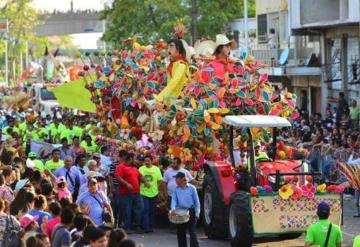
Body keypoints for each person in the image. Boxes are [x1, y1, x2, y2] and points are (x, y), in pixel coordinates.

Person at [170, 172, 200, 247]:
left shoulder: (192, 188)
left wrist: (197, 213)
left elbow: (197, 202)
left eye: (176, 178)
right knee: (180, 232)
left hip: (191, 212)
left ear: (182, 179)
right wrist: (173, 209)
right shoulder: (176, 189)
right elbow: (174, 200)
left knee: (192, 232)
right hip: (180, 212)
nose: (175, 180)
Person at [115, 153, 143, 233]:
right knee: (127, 210)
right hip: (126, 193)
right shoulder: (121, 167)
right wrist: (127, 184)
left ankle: (137, 226)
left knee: (139, 209)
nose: (135, 160)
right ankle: (127, 228)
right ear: (130, 159)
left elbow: (140, 176)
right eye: (134, 159)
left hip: (136, 193)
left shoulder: (134, 168)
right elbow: (118, 177)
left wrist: (145, 181)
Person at [139, 155, 163, 233]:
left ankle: (151, 227)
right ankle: (146, 227)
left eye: (148, 161)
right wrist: (144, 182)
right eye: (145, 161)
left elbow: (160, 181)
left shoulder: (156, 169)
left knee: (152, 211)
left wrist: (158, 190)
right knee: (145, 210)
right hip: (143, 193)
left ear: (152, 161)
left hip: (154, 193)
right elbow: (138, 178)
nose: (147, 162)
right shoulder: (141, 168)